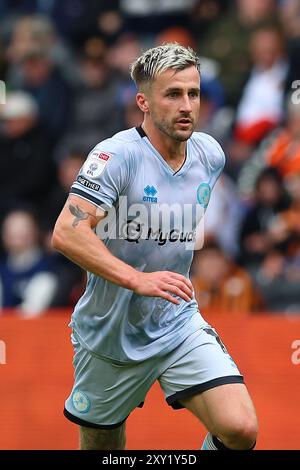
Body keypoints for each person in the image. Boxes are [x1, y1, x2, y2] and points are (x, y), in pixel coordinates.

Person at [52, 43, 258, 450]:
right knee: (102, 445)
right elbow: (67, 232)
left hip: (176, 320)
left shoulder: (209, 154)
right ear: (143, 101)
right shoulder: (115, 156)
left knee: (240, 429)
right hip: (111, 331)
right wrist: (136, 279)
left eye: (193, 94)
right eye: (173, 94)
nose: (187, 106)